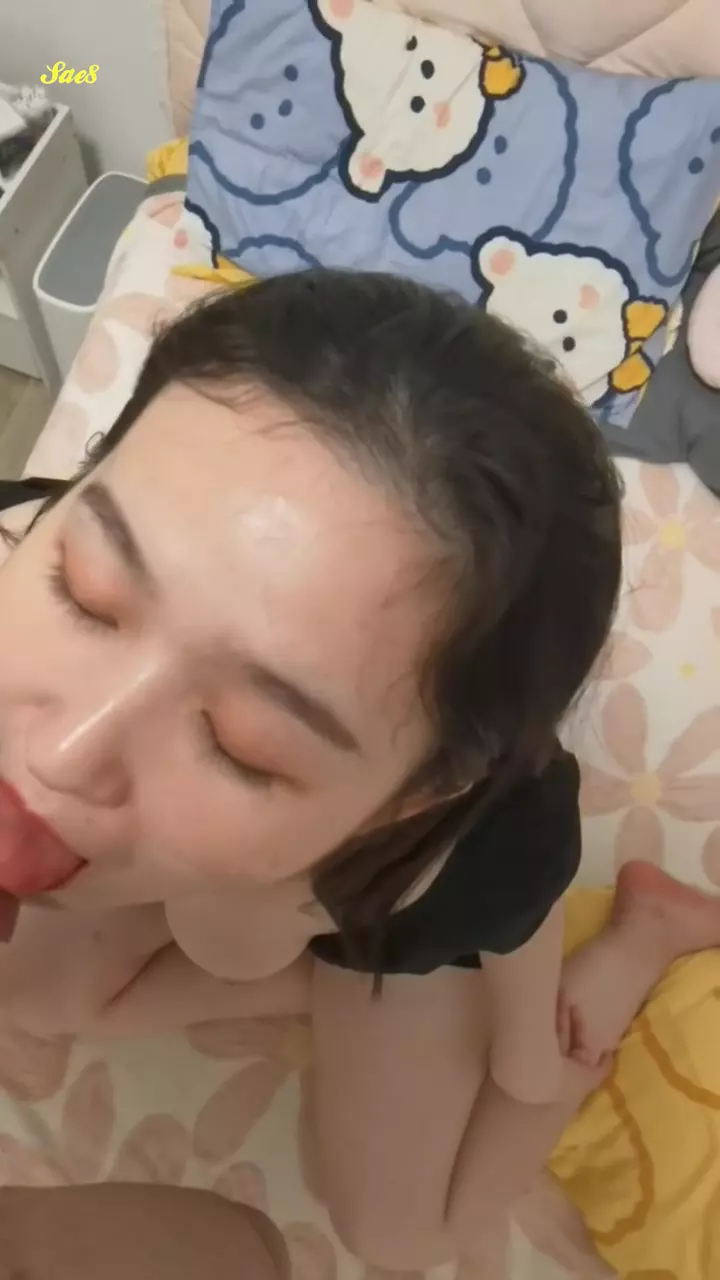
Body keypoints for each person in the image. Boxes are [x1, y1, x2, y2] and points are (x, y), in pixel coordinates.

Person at [1, 269, 720, 1269]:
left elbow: (520, 986)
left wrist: (528, 1054)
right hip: (258, 906)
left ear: (415, 796)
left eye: (244, 743)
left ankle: (647, 932)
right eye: (86, 592)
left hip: (381, 933)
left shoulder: (477, 839)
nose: (58, 754)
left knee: (404, 1236)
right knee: (39, 996)